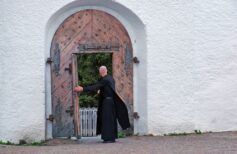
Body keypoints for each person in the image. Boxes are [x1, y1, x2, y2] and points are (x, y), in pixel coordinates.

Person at [74, 66, 130, 143]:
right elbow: (108, 88)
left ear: (101, 72)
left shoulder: (105, 79)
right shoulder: (110, 78)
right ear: (106, 71)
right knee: (110, 120)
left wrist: (82, 89)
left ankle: (108, 138)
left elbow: (95, 86)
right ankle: (111, 137)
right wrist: (102, 91)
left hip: (107, 103)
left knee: (107, 120)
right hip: (110, 102)